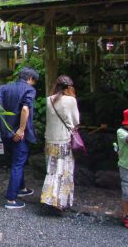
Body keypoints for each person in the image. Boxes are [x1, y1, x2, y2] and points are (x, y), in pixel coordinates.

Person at [0, 67, 39, 209]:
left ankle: (22, 188)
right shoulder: (29, 90)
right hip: (19, 134)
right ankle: (11, 199)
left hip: (5, 131)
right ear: (30, 78)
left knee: (16, 161)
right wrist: (21, 129)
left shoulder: (4, 88)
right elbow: (25, 109)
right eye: (33, 81)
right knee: (18, 163)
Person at [40, 75, 80, 212]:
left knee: (51, 171)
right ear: (69, 87)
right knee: (64, 171)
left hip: (50, 139)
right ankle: (60, 202)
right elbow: (76, 121)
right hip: (64, 140)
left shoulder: (48, 100)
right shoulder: (71, 100)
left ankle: (49, 199)